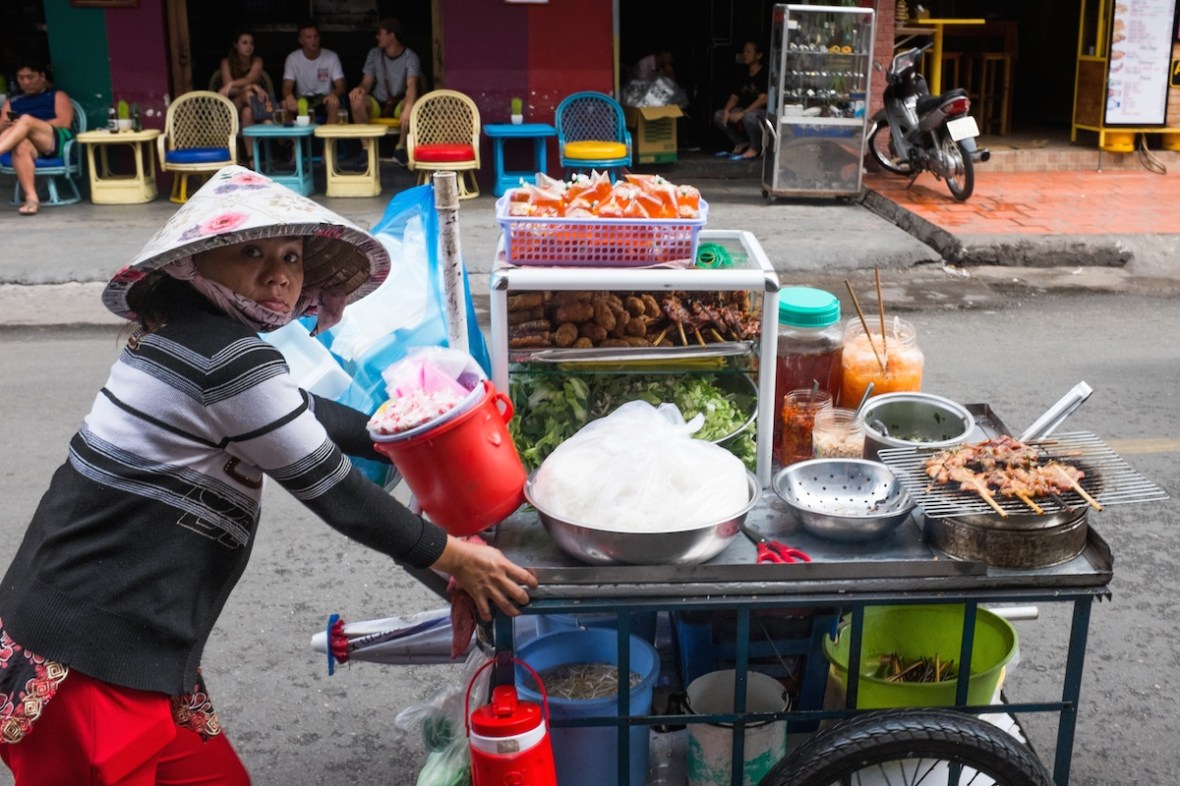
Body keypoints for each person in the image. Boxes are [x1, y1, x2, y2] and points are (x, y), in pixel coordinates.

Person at [0, 165, 537, 785]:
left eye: (291, 255)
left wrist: (421, 441)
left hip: (139, 652)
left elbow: (310, 415)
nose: (280, 272)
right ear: (194, 263)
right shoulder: (228, 358)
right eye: (251, 251)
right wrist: (458, 559)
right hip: (86, 661)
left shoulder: (190, 343)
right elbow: (333, 490)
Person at [0, 57, 75, 216]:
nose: (26, 82)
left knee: (26, 120)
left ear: (42, 76)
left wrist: (31, 125)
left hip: (53, 140)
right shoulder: (12, 101)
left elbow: (65, 121)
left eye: (30, 77)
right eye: (21, 78)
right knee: (21, 145)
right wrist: (7, 126)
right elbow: (1, 126)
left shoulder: (56, 95)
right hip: (27, 144)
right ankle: (31, 199)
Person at [348, 17, 421, 157]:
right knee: (356, 99)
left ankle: (400, 148)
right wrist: (360, 89)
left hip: (398, 103)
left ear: (391, 36)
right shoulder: (374, 54)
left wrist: (409, 105)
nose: (377, 37)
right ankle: (366, 149)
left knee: (413, 103)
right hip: (378, 102)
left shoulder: (410, 57)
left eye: (380, 33)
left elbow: (412, 85)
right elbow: (366, 82)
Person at [712, 40, 768, 160]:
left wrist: (743, 113)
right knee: (719, 115)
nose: (745, 54)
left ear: (759, 55)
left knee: (749, 117)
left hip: (761, 112)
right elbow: (735, 96)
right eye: (744, 51)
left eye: (749, 51)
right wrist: (727, 110)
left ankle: (754, 148)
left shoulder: (764, 74)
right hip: (744, 109)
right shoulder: (743, 73)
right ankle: (741, 142)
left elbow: (763, 99)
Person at [281, 20, 345, 122]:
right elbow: (287, 86)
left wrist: (334, 95)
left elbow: (341, 86)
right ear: (301, 40)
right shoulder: (292, 58)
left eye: (316, 36)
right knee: (284, 104)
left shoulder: (331, 56)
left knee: (334, 103)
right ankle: (293, 138)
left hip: (324, 99)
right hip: (302, 100)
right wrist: (289, 96)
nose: (313, 40)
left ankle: (328, 138)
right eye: (308, 37)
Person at [217, 30, 275, 128]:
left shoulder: (257, 61)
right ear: (235, 45)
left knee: (247, 113)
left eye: (251, 43)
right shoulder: (226, 62)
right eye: (244, 43)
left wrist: (233, 84)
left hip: (253, 104)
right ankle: (269, 123)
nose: (249, 47)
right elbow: (229, 91)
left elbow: (250, 78)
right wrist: (250, 87)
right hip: (231, 106)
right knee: (248, 94)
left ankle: (255, 143)